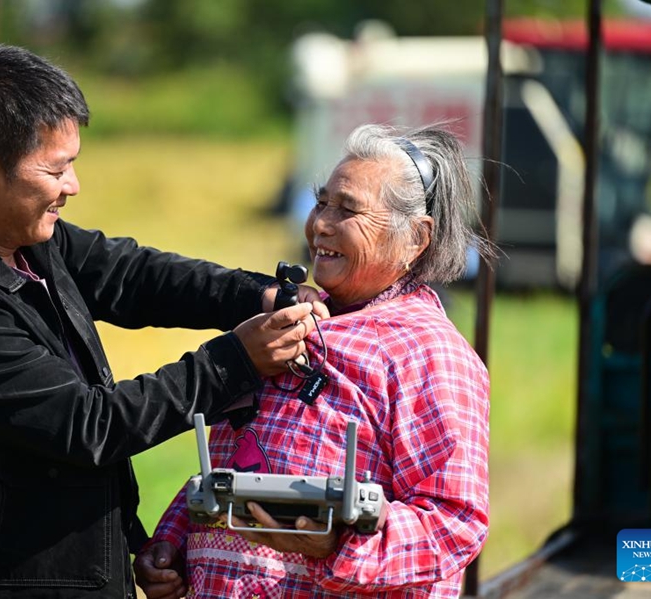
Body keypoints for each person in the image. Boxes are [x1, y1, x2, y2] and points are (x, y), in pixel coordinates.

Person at [0, 39, 328, 599]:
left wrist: (252, 294)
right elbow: (88, 426)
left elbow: (130, 275)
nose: (72, 186)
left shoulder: (13, 232)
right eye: (57, 169)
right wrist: (234, 362)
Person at [135, 123, 493, 598]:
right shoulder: (285, 325)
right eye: (321, 202)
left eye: (347, 209)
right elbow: (236, 460)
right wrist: (173, 544)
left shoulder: (428, 353)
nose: (320, 223)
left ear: (415, 239)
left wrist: (337, 544)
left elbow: (456, 522)